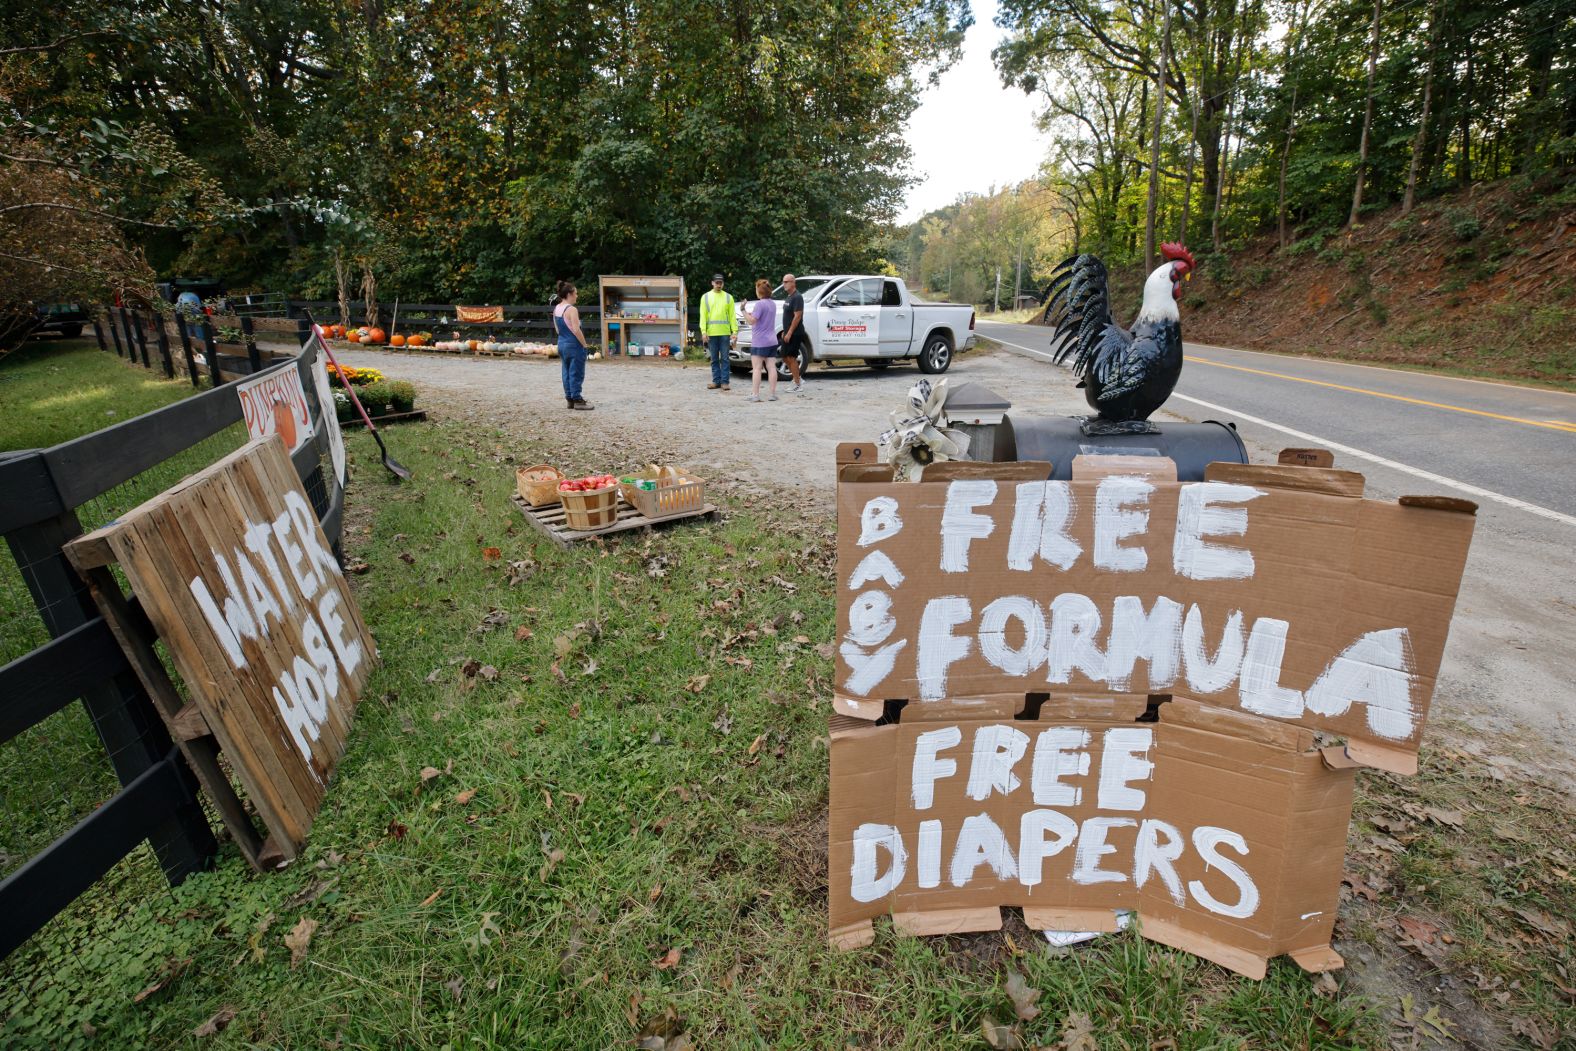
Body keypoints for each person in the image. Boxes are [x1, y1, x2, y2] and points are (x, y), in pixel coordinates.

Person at [552, 281, 593, 410]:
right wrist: (585, 345)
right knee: (576, 372)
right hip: (573, 345)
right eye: (575, 293)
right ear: (569, 294)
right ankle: (577, 400)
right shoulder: (572, 310)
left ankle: (569, 399)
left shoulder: (557, 308)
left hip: (562, 343)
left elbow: (557, 330)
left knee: (566, 371)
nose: (577, 296)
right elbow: (576, 330)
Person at [699, 273, 736, 391]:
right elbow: (703, 316)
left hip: (725, 333)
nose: (719, 285)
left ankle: (725, 382)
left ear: (723, 283)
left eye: (720, 282)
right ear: (712, 283)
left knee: (725, 358)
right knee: (714, 359)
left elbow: (732, 316)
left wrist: (734, 331)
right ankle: (716, 381)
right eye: (717, 282)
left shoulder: (728, 297)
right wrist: (703, 332)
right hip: (711, 333)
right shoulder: (705, 297)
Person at [744, 278, 780, 402]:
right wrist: (752, 314)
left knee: (757, 368)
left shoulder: (759, 304)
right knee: (771, 367)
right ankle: (772, 394)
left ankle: (755, 394)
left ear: (759, 292)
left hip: (760, 341)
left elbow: (752, 321)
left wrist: (743, 310)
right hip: (772, 340)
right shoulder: (772, 304)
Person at [777, 273, 805, 393]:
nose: (784, 284)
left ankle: (798, 384)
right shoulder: (789, 297)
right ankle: (797, 378)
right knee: (784, 356)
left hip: (795, 333)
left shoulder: (797, 297)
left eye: (787, 282)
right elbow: (787, 316)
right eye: (783, 282)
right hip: (787, 332)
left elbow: (797, 317)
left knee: (792, 357)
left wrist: (789, 333)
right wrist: (784, 331)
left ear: (793, 283)